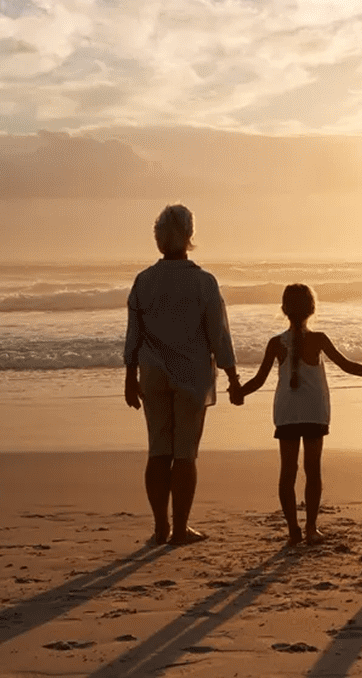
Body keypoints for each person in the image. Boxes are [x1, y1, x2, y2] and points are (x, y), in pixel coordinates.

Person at [123, 204, 241, 546]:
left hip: (153, 375)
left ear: (159, 239)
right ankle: (179, 528)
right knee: (185, 454)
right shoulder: (203, 282)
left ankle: (160, 527)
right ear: (189, 237)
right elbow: (218, 336)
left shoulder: (144, 281)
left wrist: (130, 378)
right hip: (192, 376)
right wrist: (232, 376)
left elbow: (133, 336)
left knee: (158, 450)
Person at [233, 284, 362, 546]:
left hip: (287, 412)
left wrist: (238, 391)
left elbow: (257, 380)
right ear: (313, 309)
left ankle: (293, 530)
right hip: (315, 411)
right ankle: (311, 527)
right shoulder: (319, 339)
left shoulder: (275, 343)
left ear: (284, 310)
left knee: (287, 471)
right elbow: (347, 366)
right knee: (313, 470)